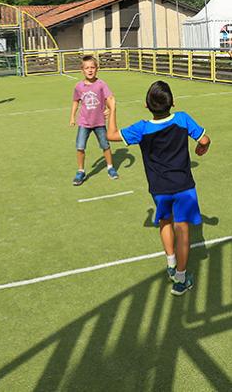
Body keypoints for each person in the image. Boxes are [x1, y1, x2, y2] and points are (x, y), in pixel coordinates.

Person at [107, 80, 210, 296]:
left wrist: (113, 110)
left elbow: (112, 135)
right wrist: (203, 148)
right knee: (182, 229)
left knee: (165, 221)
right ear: (173, 102)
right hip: (184, 186)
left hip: (159, 188)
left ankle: (171, 263)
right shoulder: (182, 119)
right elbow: (205, 139)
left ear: (146, 105)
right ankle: (181, 280)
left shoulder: (142, 128)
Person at [69, 55, 118, 185]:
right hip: (84, 122)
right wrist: (72, 117)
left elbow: (110, 98)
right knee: (80, 147)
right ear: (82, 70)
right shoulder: (78, 86)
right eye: (87, 68)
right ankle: (80, 171)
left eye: (92, 67)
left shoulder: (101, 85)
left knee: (105, 145)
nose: (90, 70)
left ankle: (110, 167)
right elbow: (75, 101)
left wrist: (108, 108)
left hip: (99, 122)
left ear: (97, 69)